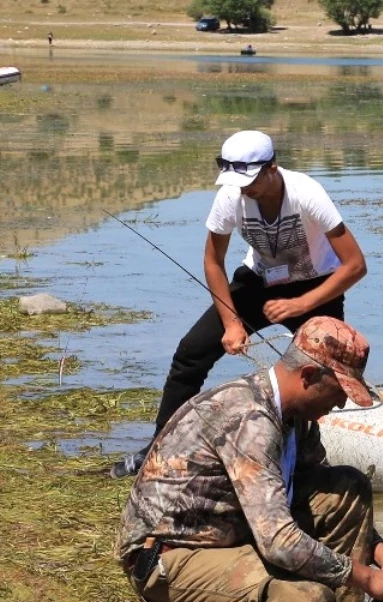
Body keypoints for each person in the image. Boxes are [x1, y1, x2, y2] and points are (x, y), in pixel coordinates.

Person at [115, 316, 383, 602]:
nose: (340, 403)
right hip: (171, 557)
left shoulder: (297, 417)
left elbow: (329, 504)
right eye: (338, 389)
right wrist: (368, 579)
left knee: (347, 487)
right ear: (307, 376)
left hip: (233, 534)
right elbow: (279, 541)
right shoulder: (250, 419)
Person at [110, 130, 367, 478]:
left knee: (320, 376)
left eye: (251, 181)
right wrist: (232, 322)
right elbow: (213, 260)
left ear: (272, 167)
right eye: (237, 181)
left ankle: (304, 458)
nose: (245, 189)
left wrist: (301, 305)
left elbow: (355, 265)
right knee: (190, 352)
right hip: (259, 282)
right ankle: (159, 446)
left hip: (317, 287)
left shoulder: (306, 193)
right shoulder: (231, 196)